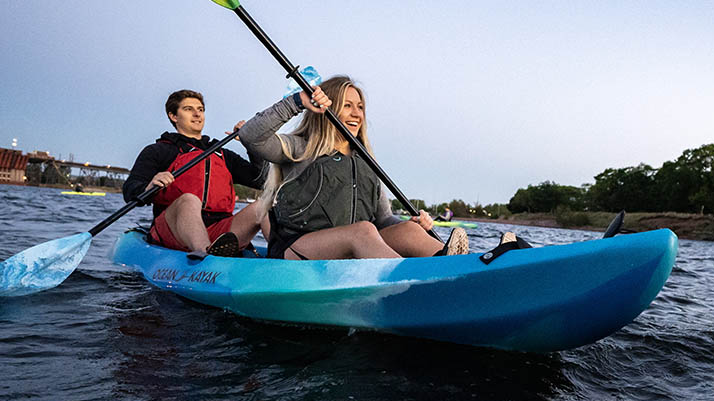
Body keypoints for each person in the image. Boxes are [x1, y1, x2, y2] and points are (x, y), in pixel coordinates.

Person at [239, 76, 468, 260]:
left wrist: (413, 224)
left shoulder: (367, 162)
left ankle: (460, 266)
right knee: (363, 231)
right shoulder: (301, 147)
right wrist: (298, 101)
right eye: (347, 106)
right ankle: (415, 285)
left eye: (359, 107)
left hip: (354, 249)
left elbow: (385, 219)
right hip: (298, 248)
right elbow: (250, 136)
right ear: (325, 108)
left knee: (409, 230)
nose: (357, 114)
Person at [122, 90, 266, 256]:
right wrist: (149, 186)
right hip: (174, 230)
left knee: (263, 206)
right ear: (173, 116)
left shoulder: (222, 154)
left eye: (201, 109)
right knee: (189, 199)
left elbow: (261, 180)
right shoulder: (158, 151)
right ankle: (205, 256)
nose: (197, 114)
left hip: (220, 231)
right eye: (189, 109)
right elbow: (130, 190)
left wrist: (252, 144)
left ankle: (286, 257)